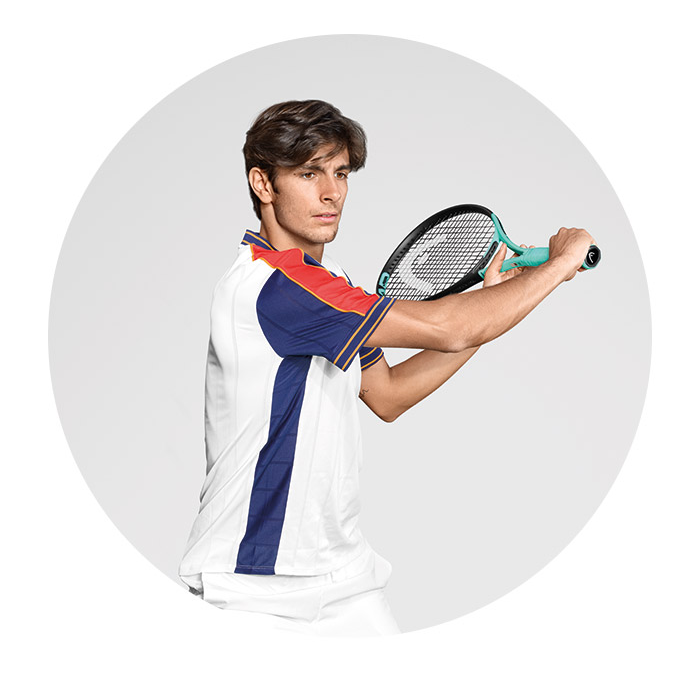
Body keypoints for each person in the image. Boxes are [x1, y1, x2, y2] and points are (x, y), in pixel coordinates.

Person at [178, 100, 595, 638]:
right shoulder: (273, 288)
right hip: (252, 584)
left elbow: (388, 394)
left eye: (341, 173)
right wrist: (560, 264)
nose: (331, 192)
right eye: (308, 174)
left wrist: (492, 301)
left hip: (343, 573)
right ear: (263, 184)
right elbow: (450, 326)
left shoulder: (330, 282)